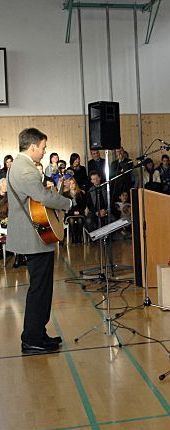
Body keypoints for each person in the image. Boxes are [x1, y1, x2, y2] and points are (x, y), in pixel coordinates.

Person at [6, 128, 74, 354]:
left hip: (37, 233)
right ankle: (31, 339)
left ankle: (38, 333)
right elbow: (43, 197)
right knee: (39, 289)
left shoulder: (22, 166)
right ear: (33, 146)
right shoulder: (25, 169)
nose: (44, 152)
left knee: (42, 288)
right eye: (43, 147)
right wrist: (68, 203)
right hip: (33, 236)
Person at [63, 177, 86, 244]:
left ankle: (79, 237)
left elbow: (83, 205)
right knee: (71, 220)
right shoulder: (65, 195)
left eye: (73, 183)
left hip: (80, 213)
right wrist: (72, 212)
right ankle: (73, 238)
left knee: (80, 220)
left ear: (75, 184)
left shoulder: (81, 193)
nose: (72, 185)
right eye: (70, 184)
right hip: (70, 214)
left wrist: (79, 211)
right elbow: (65, 207)